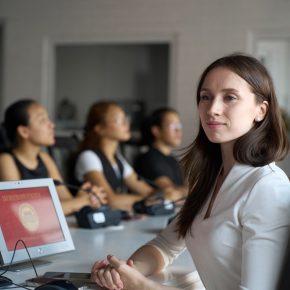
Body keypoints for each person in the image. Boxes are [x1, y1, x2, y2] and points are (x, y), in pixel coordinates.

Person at [90, 53, 290, 290]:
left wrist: (143, 287)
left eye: (230, 97)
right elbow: (165, 245)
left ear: (261, 110)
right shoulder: (212, 177)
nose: (212, 109)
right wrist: (123, 271)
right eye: (206, 97)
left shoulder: (267, 187)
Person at [0, 99, 107, 216]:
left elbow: (66, 200)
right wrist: (80, 202)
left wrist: (85, 198)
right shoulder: (6, 160)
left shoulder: (44, 158)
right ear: (24, 131)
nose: (51, 125)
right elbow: (20, 211)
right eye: (42, 121)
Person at [75, 101, 178, 212]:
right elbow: (110, 200)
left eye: (126, 119)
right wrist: (154, 199)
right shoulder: (88, 157)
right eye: (119, 120)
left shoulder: (118, 159)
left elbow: (148, 191)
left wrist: (161, 195)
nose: (126, 124)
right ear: (99, 128)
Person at [135, 108, 187, 199]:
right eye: (173, 126)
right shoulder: (150, 159)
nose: (178, 130)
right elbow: (170, 192)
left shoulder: (172, 159)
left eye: (179, 126)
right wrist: (188, 190)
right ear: (156, 131)